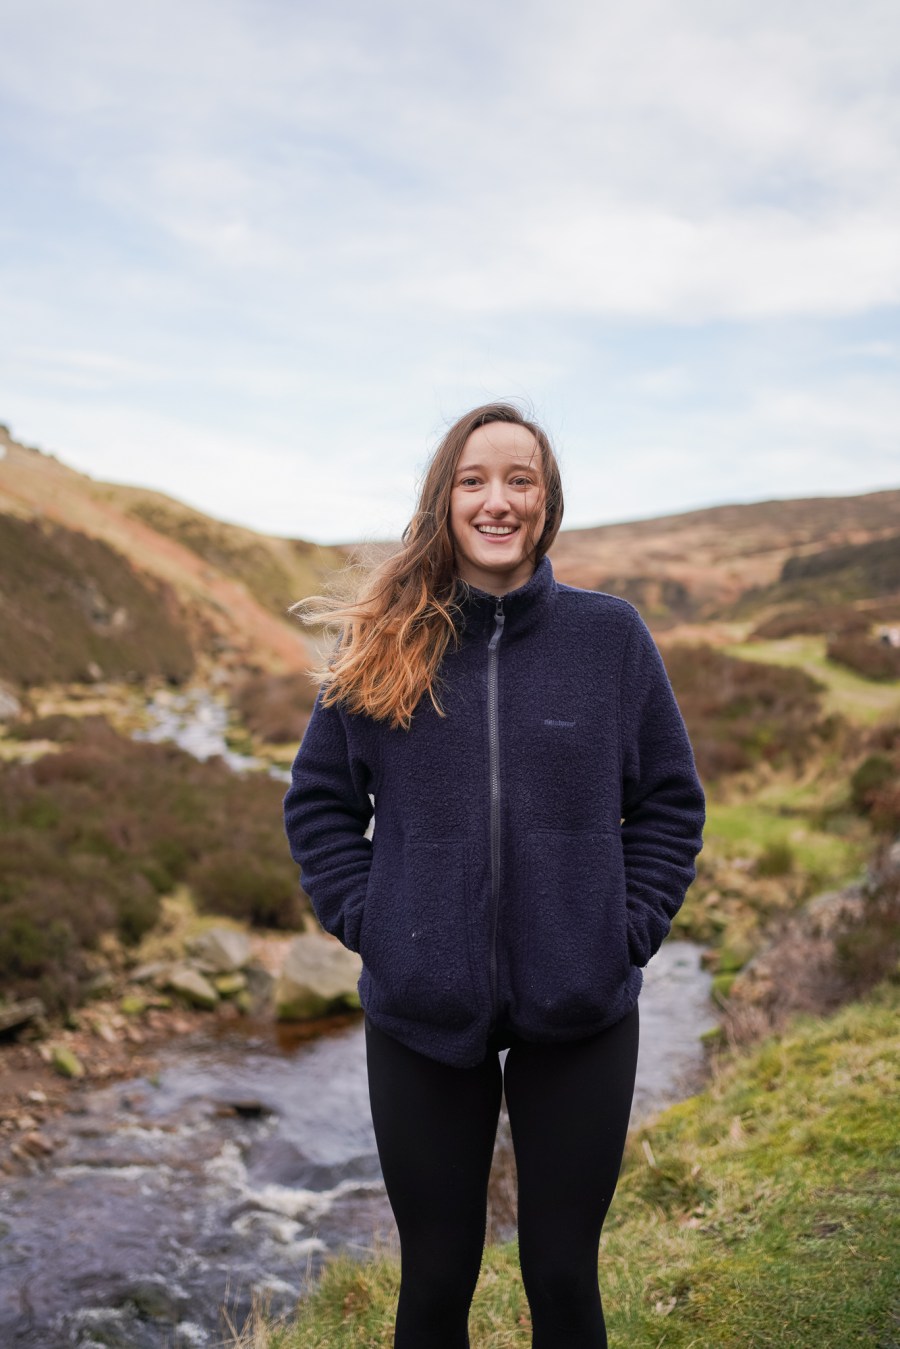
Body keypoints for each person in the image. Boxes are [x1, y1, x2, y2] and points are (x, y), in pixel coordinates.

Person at [283, 402, 705, 1349]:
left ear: (547, 502)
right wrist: (377, 920)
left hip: (582, 1009)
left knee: (561, 1276)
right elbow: (318, 805)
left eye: (520, 479)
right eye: (475, 480)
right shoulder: (385, 642)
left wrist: (621, 928)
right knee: (434, 1282)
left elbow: (672, 804)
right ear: (445, 499)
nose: (497, 500)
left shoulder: (611, 640)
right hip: (421, 1014)